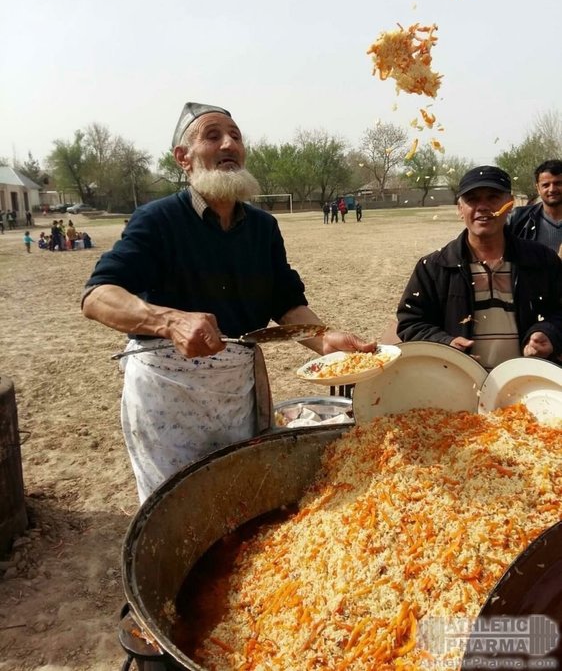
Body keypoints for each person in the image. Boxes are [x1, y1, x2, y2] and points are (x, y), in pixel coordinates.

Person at [82, 100, 376, 502]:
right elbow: (98, 296)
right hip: (170, 393)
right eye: (213, 135)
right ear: (183, 158)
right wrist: (169, 321)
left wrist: (326, 342)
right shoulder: (158, 220)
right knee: (178, 504)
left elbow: (286, 303)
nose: (229, 144)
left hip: (238, 389)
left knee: (240, 497)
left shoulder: (263, 227)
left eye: (235, 137)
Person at [396, 165, 562, 372]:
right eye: (472, 199)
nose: (482, 207)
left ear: (509, 204)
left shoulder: (542, 260)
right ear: (460, 209)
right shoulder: (434, 267)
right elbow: (411, 322)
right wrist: (445, 343)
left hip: (527, 381)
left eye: (493, 197)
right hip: (459, 380)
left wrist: (548, 331)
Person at [507, 159, 562, 253]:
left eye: (558, 183)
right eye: (546, 185)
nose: (552, 189)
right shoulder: (518, 218)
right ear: (538, 188)